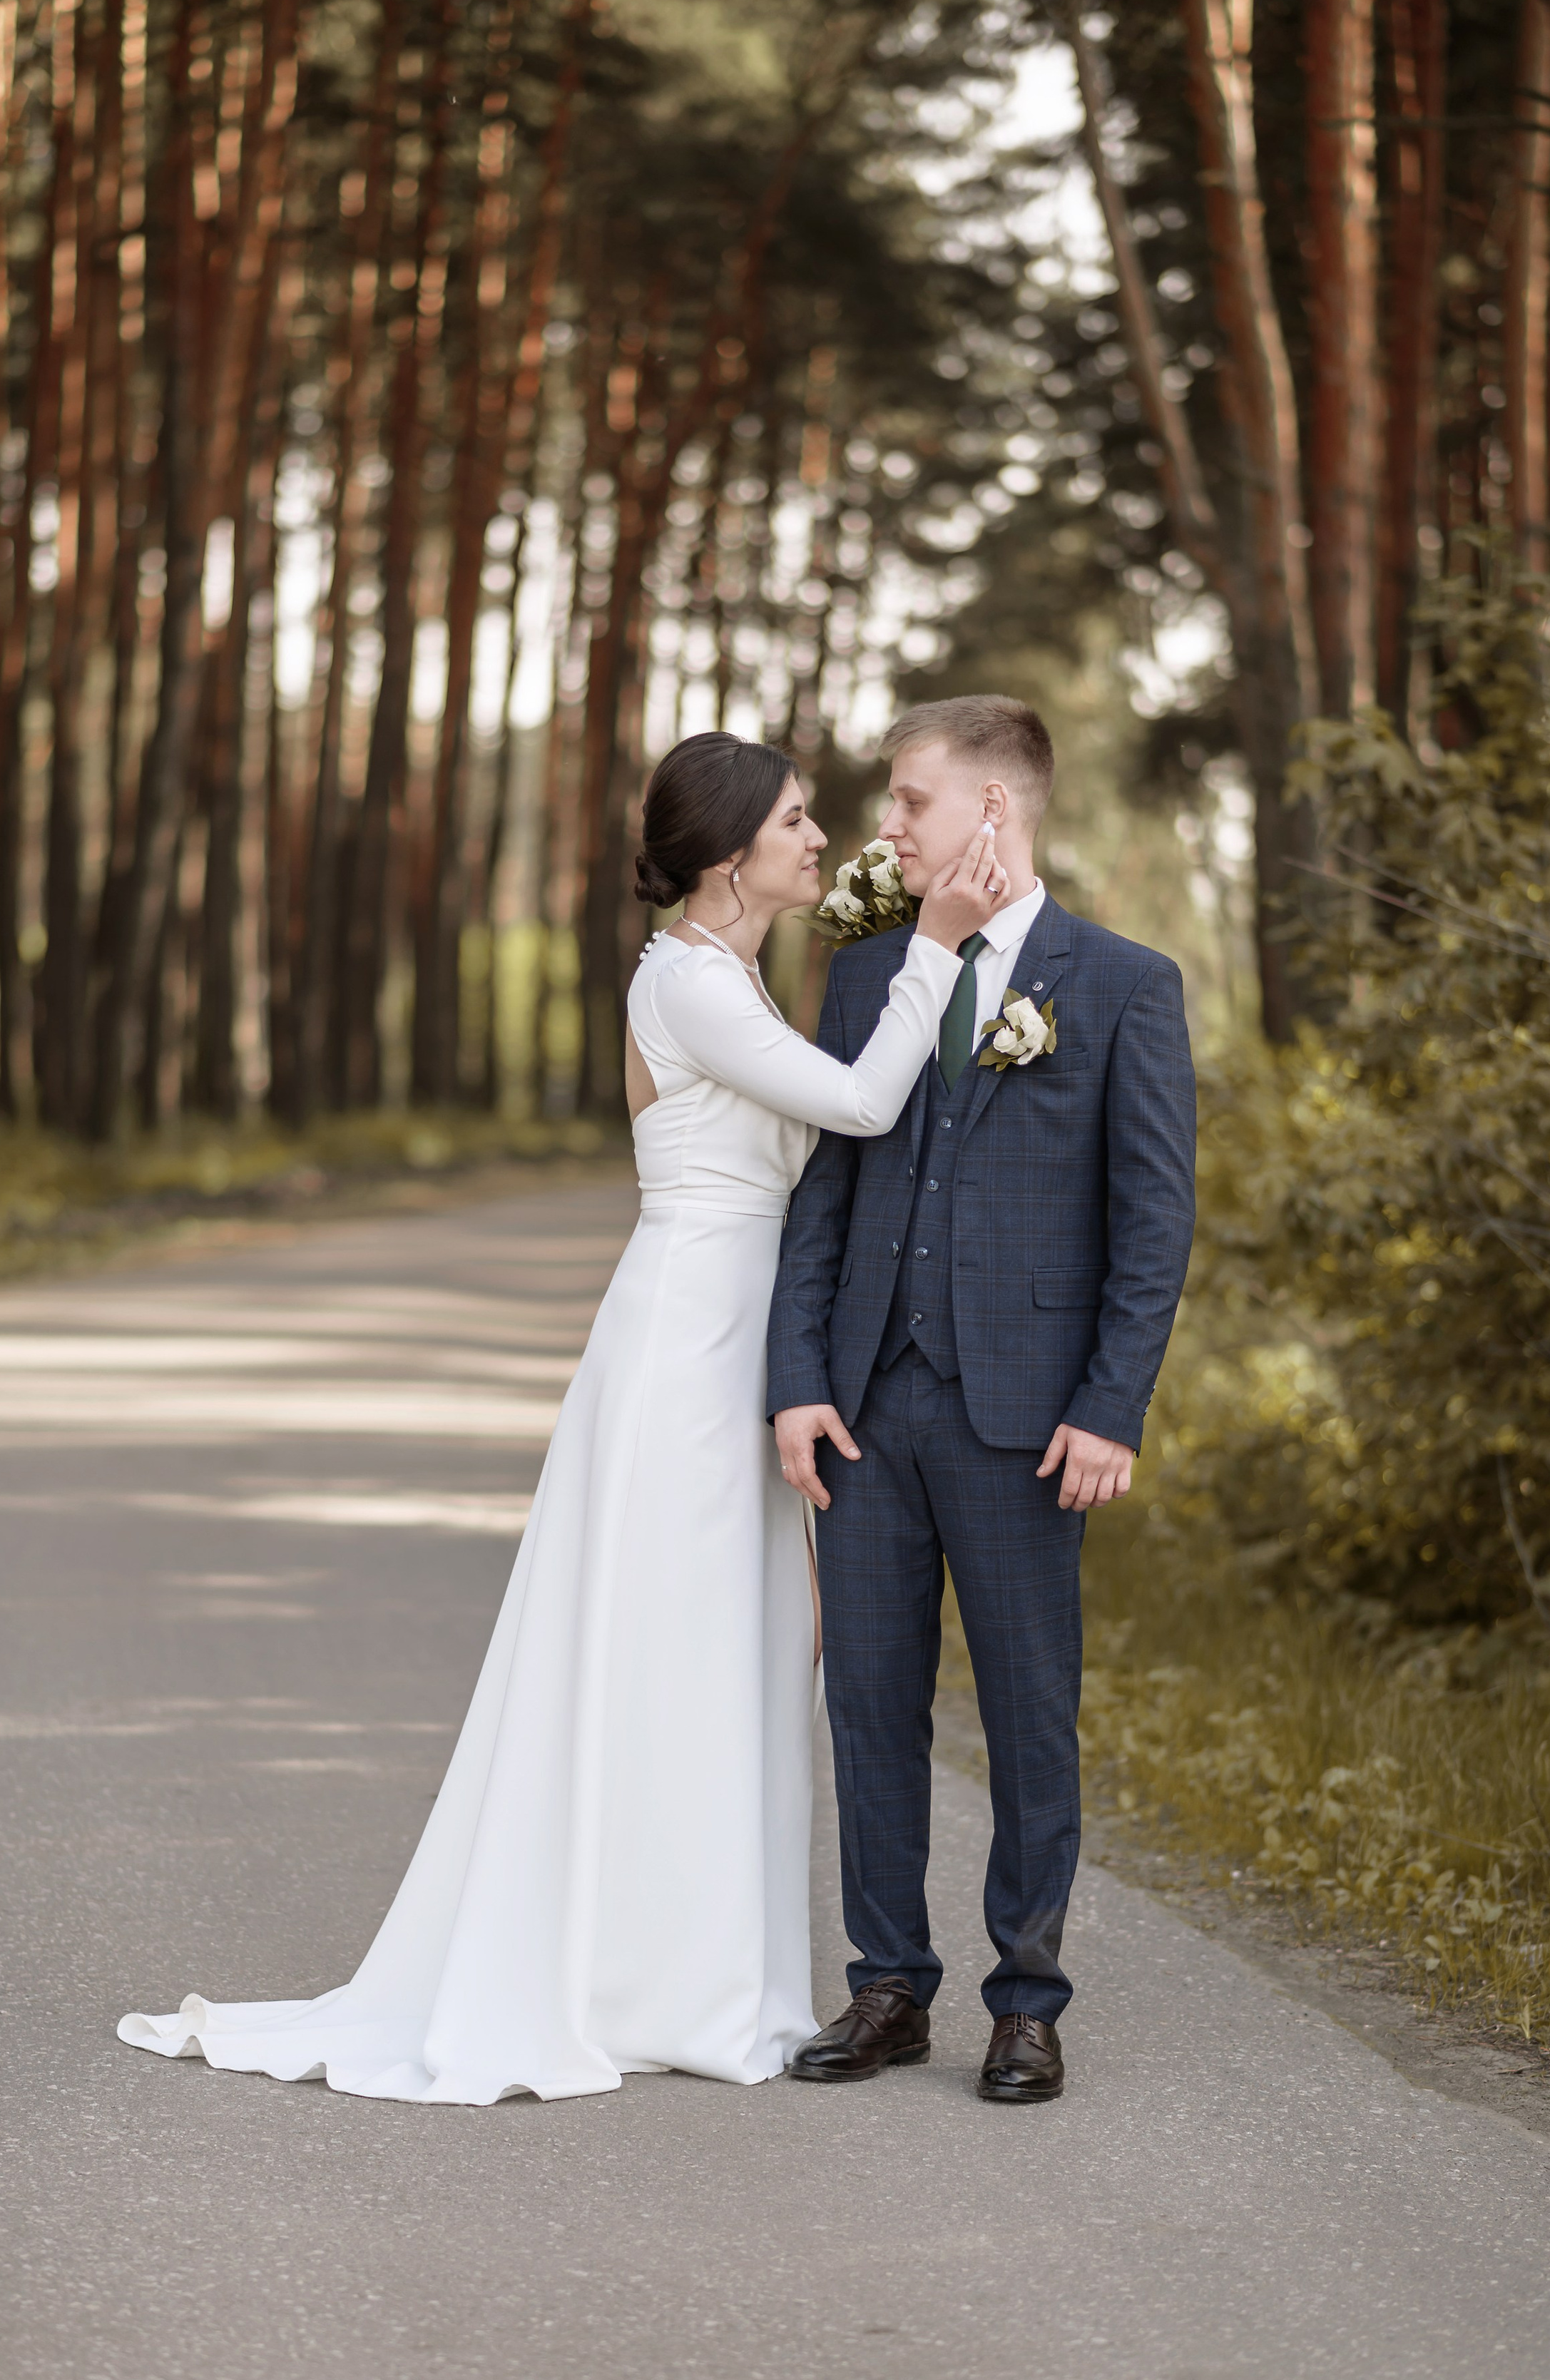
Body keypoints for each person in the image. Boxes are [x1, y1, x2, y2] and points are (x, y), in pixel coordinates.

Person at [117, 731, 1009, 2105]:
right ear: (729, 858)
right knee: (670, 1640)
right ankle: (635, 1976)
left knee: (728, 1649)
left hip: (737, 1335)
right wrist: (941, 943)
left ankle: (688, 1968)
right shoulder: (690, 981)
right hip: (689, 1348)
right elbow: (858, 1103)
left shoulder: (730, 975)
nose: (822, 838)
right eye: (793, 820)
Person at [768, 695, 1196, 2103]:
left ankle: (1027, 2001)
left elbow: (1150, 1224)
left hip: (1026, 1422)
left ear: (990, 814)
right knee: (868, 1709)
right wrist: (796, 1384)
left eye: (907, 802)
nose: (884, 827)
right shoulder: (865, 979)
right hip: (868, 1412)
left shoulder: (1121, 983)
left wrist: (1109, 1408)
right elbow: (816, 1205)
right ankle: (886, 1988)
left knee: (1026, 1710)